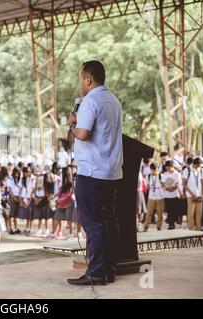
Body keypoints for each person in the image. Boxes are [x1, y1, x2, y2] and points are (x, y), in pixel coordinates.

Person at [67, 60, 123, 286]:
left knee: (93, 224)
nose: (80, 83)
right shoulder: (113, 100)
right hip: (111, 171)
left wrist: (72, 123)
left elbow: (82, 134)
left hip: (91, 172)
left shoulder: (90, 101)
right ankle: (109, 269)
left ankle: (97, 273)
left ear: (88, 79)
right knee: (109, 220)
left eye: (81, 78)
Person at [182, 157, 203, 231]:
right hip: (191, 196)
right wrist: (192, 194)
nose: (199, 167)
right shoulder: (187, 170)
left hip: (199, 195)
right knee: (191, 214)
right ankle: (191, 230)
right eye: (197, 166)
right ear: (194, 164)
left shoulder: (202, 170)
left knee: (199, 214)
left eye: (200, 165)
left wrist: (202, 195)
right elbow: (184, 184)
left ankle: (198, 230)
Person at [53, 168, 74, 240]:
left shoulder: (71, 182)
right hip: (61, 203)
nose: (61, 174)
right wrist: (56, 197)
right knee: (57, 217)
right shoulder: (62, 181)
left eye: (63, 172)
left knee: (69, 219)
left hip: (68, 202)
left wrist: (62, 198)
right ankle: (58, 232)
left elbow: (70, 192)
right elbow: (60, 190)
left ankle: (71, 234)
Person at [161, 161, 182, 230]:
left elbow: (177, 183)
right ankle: (170, 224)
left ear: (173, 166)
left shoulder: (177, 174)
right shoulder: (165, 174)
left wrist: (173, 189)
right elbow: (162, 183)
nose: (168, 168)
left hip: (174, 195)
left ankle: (174, 223)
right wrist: (166, 188)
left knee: (174, 210)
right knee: (168, 210)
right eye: (167, 167)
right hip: (166, 195)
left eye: (169, 167)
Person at [144, 164, 164, 231]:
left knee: (160, 213)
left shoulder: (161, 176)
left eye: (155, 170)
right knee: (149, 213)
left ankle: (159, 226)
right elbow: (147, 186)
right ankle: (146, 226)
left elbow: (164, 185)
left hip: (160, 197)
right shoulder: (148, 176)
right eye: (152, 170)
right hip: (151, 197)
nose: (154, 172)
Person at [31, 167, 47, 237]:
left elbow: (46, 190)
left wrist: (40, 199)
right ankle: (39, 229)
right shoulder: (37, 179)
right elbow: (34, 189)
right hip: (37, 198)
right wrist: (35, 198)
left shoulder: (44, 179)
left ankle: (46, 230)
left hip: (43, 199)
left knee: (46, 215)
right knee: (39, 215)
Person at [18, 166, 34, 236]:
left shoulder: (33, 179)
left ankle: (30, 228)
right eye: (25, 172)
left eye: (28, 172)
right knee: (27, 215)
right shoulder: (23, 179)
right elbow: (20, 189)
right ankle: (27, 228)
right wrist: (20, 200)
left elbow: (33, 191)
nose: (27, 174)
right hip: (24, 198)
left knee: (31, 214)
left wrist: (29, 201)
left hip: (30, 198)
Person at [6, 168, 21, 234]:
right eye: (16, 173)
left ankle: (16, 228)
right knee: (11, 214)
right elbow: (9, 190)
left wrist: (19, 198)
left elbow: (20, 188)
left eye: (18, 173)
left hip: (18, 197)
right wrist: (14, 198)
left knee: (16, 214)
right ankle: (10, 228)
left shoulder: (19, 179)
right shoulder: (10, 179)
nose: (17, 174)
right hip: (12, 197)